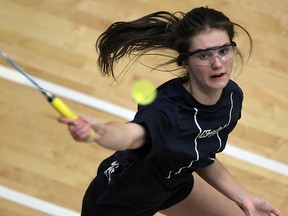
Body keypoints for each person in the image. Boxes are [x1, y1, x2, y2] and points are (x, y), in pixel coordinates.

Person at [58, 6, 282, 216]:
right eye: (204, 55)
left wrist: (245, 198)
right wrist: (100, 133)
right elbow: (130, 135)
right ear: (186, 62)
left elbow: (201, 156)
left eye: (223, 51)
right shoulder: (167, 113)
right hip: (121, 202)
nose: (217, 63)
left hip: (173, 183)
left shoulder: (231, 98)